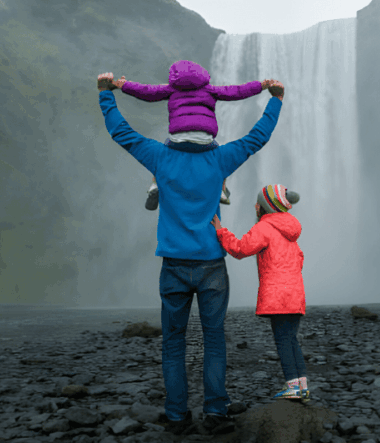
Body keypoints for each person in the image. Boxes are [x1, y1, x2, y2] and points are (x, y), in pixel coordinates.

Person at [96, 72, 285, 435]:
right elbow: (257, 137)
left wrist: (107, 92)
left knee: (173, 344)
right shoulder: (220, 160)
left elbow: (120, 132)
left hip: (174, 266)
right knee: (215, 341)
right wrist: (275, 99)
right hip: (212, 265)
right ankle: (215, 412)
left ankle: (178, 416)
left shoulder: (159, 157)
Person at [110, 60, 275, 210]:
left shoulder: (171, 89)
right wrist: (260, 86)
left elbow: (146, 91)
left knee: (160, 158)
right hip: (205, 141)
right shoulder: (210, 90)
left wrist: (124, 85)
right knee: (222, 162)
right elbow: (236, 91)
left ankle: (155, 185)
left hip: (177, 140)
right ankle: (221, 190)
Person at [210, 184, 309, 401]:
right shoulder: (291, 232)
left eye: (258, 203)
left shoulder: (265, 227)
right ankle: (303, 387)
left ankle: (292, 386)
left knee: (282, 339)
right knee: (292, 339)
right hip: (295, 294)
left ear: (264, 207)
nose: (255, 206)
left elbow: (240, 249)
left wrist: (220, 231)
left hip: (277, 295)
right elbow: (299, 260)